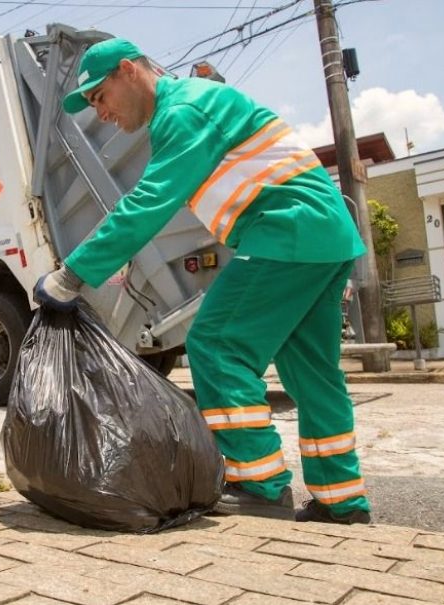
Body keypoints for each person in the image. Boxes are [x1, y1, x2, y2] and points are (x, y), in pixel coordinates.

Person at [34, 37, 371, 524]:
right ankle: (343, 503)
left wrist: (72, 276)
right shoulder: (194, 106)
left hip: (287, 230)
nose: (99, 112)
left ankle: (258, 483)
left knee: (217, 344)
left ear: (128, 70)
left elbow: (149, 201)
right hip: (324, 235)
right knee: (313, 375)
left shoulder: (183, 110)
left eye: (99, 96)